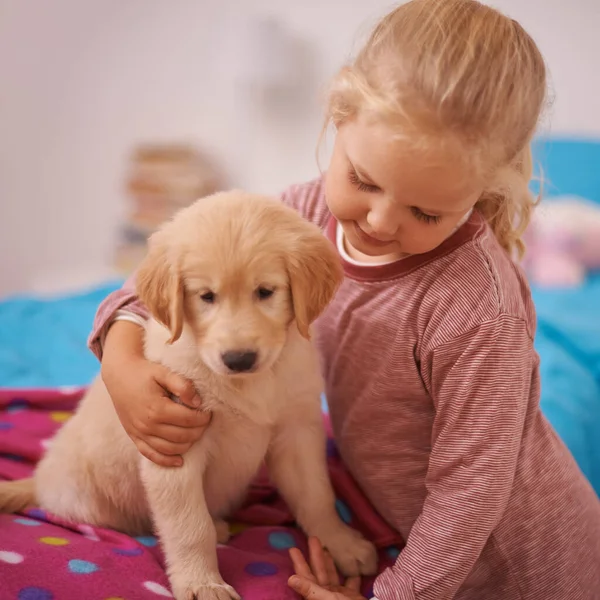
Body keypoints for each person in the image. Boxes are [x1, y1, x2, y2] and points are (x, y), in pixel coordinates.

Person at [89, 0, 600, 598]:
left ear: (482, 190)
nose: (380, 221)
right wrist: (122, 359)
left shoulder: (475, 308)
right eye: (363, 180)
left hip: (519, 565)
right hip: (398, 518)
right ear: (338, 119)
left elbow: (473, 488)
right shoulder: (304, 214)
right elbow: (172, 267)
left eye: (426, 211)